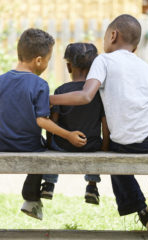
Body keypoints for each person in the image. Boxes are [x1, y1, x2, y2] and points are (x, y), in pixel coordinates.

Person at [49, 14, 148, 231]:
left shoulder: (103, 60)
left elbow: (85, 96)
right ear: (134, 48)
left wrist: (48, 98)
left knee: (113, 151)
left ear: (113, 35)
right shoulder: (144, 65)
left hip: (131, 142)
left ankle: (139, 208)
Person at [0, 28, 87, 220]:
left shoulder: (0, 80)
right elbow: (41, 120)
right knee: (44, 150)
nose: (47, 65)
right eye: (48, 61)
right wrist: (68, 135)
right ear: (39, 60)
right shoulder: (40, 85)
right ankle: (31, 200)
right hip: (29, 145)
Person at [41, 43, 110, 205]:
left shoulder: (61, 91)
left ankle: (49, 183)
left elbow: (53, 122)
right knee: (95, 149)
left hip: (62, 145)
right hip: (91, 145)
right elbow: (105, 126)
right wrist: (104, 148)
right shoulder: (98, 93)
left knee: (52, 148)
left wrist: (50, 143)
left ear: (69, 67)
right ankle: (92, 186)